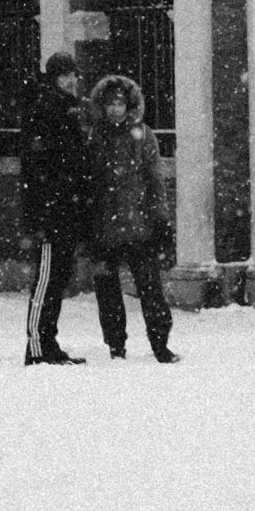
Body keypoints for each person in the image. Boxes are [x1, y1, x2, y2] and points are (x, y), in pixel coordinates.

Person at [81, 75, 175, 361]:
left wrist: (160, 218)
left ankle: (159, 342)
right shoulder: (93, 137)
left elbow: (155, 180)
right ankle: (115, 345)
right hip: (103, 226)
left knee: (150, 288)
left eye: (119, 104)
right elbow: (86, 181)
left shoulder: (144, 136)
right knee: (107, 291)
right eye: (109, 104)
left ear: (128, 105)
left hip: (139, 226)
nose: (114, 110)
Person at [15, 56, 93, 365]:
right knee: (47, 279)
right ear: (53, 78)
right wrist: (39, 212)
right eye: (63, 75)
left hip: (66, 207)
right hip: (52, 209)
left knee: (57, 278)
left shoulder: (70, 110)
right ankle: (36, 345)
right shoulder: (46, 110)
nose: (70, 79)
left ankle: (48, 341)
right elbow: (35, 166)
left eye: (72, 74)